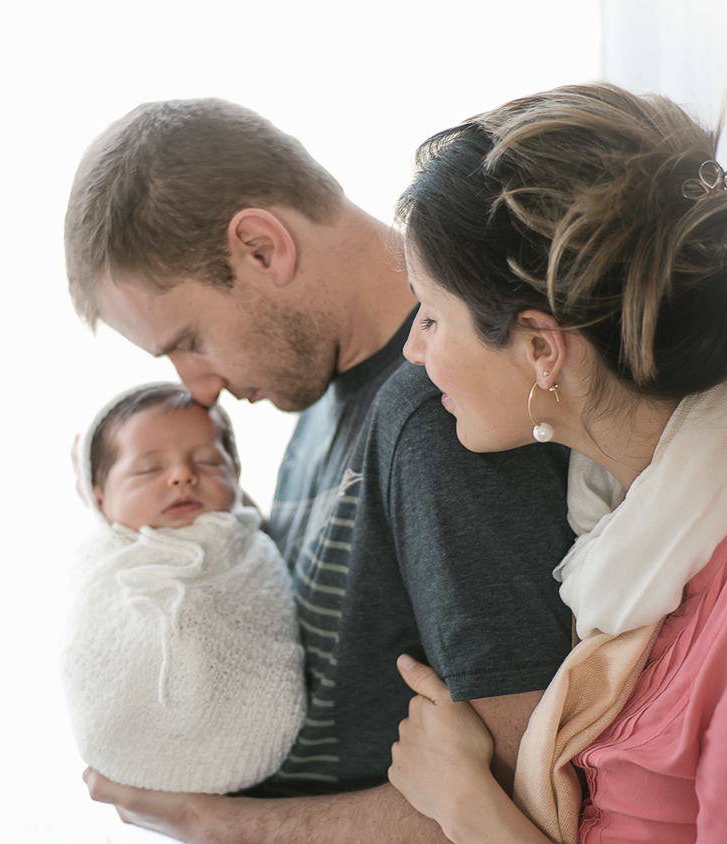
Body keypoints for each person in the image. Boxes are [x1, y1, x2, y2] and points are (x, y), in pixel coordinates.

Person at [63, 99, 577, 842]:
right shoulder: (321, 405)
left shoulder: (442, 414)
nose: (196, 388)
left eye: (189, 340)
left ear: (262, 248)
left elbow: (528, 786)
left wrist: (225, 826)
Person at [386, 82, 727, 843]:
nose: (413, 353)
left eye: (431, 315)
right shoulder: (636, 508)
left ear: (542, 349)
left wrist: (467, 804)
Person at [61, 383, 305, 795]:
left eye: (208, 462)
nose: (182, 476)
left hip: (248, 737)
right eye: (148, 470)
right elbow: (90, 646)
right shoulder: (102, 562)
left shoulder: (245, 544)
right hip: (131, 741)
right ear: (97, 497)